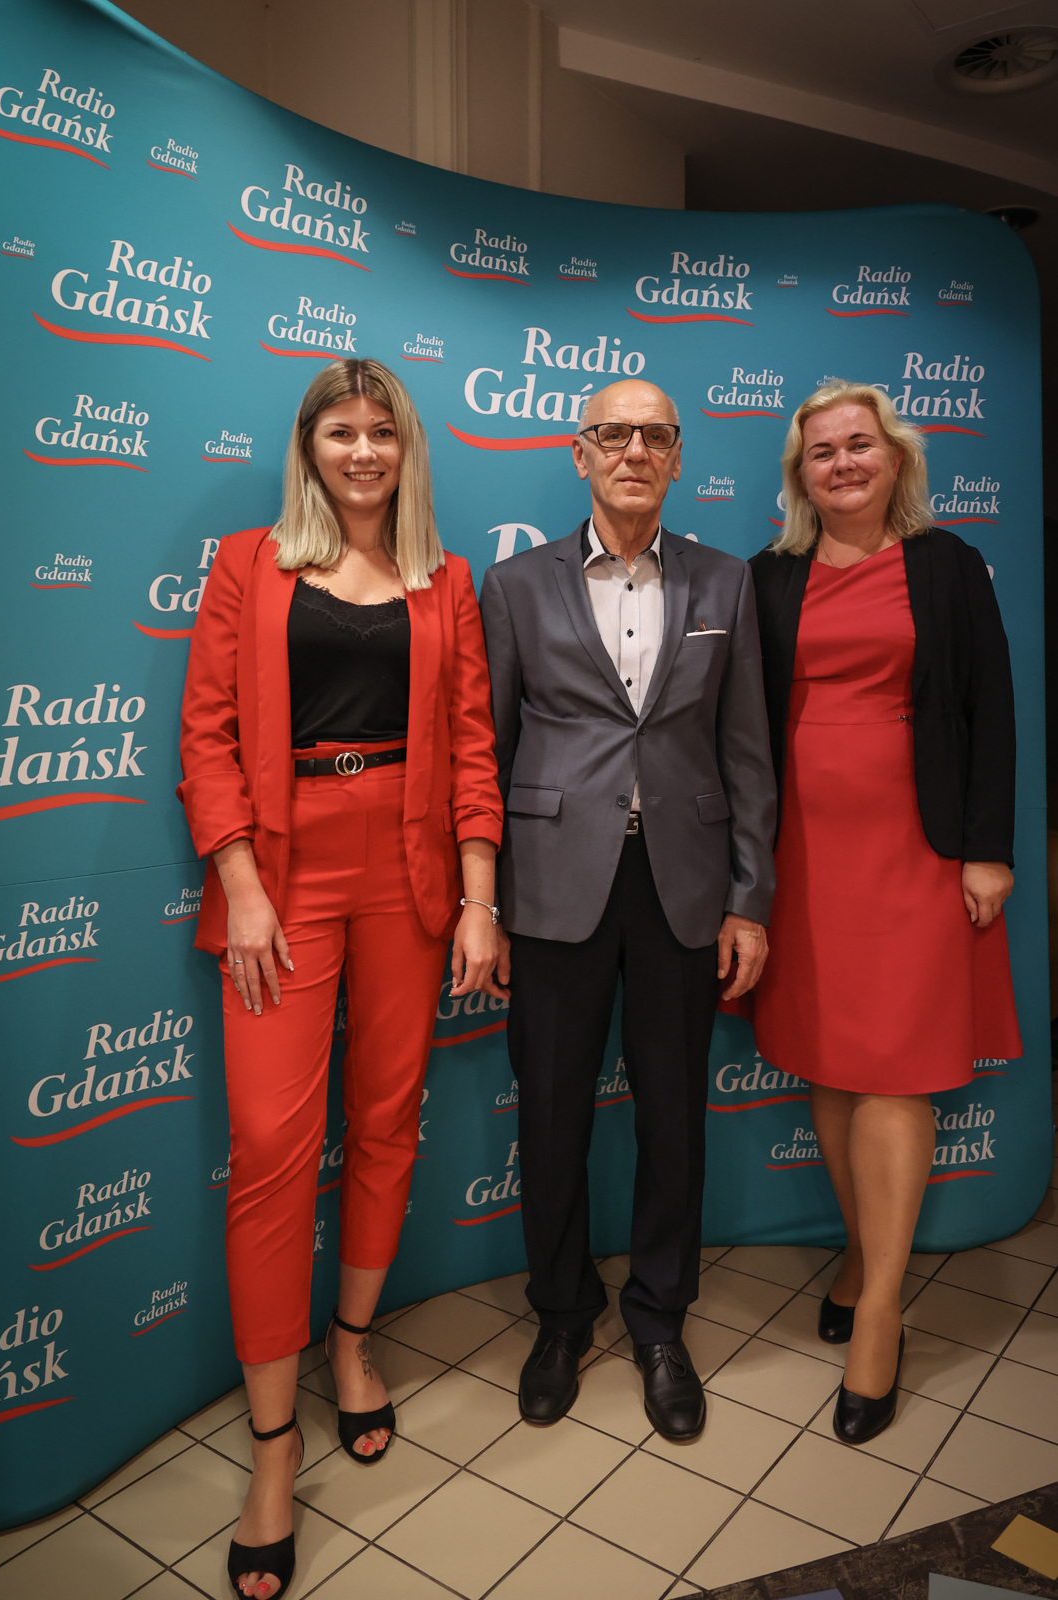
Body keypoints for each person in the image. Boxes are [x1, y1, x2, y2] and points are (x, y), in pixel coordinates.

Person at [178, 358, 504, 1599]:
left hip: (409, 874)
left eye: (381, 432)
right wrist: (243, 881)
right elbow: (207, 732)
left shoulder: (445, 580)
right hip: (282, 872)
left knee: (385, 1118)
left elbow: (470, 745)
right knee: (270, 1146)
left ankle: (352, 1346)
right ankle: (273, 1448)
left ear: (405, 449)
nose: (362, 451)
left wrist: (478, 897)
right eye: (340, 431)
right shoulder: (246, 565)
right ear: (308, 447)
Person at [479, 379, 776, 1442]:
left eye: (654, 434)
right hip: (551, 890)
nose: (633, 450)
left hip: (681, 891)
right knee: (551, 1118)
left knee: (672, 1118)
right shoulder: (513, 585)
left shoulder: (725, 580)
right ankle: (561, 1316)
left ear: (677, 455)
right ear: (580, 453)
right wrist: (486, 903)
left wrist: (748, 898)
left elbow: (746, 752)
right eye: (613, 433)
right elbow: (486, 751)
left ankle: (658, 1318)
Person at [748, 379, 1021, 1446]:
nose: (842, 464)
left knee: (896, 1071)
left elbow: (990, 708)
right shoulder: (768, 577)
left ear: (894, 458)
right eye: (820, 452)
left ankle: (878, 1311)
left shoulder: (947, 566)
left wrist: (986, 848)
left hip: (916, 850)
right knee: (828, 1062)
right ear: (799, 476)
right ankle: (861, 1252)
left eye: (858, 444)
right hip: (801, 858)